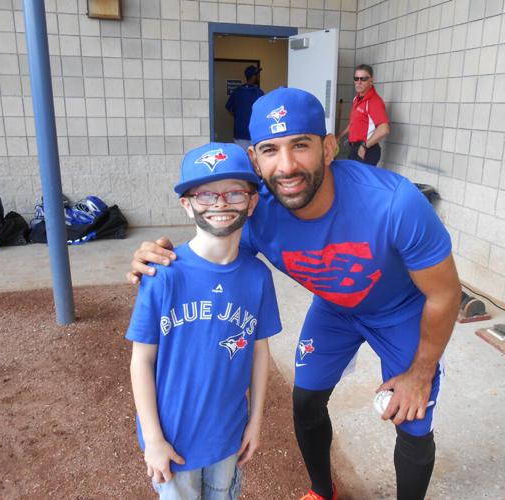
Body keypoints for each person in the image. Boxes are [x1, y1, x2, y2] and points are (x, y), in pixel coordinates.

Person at [128, 88, 461, 500]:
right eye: (270, 150)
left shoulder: (395, 204)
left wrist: (420, 373)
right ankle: (323, 491)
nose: (286, 166)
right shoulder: (256, 211)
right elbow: (207, 254)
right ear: (255, 160)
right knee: (305, 403)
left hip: (401, 311)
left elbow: (446, 293)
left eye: (300, 145)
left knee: (412, 418)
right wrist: (160, 255)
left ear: (328, 147)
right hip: (336, 309)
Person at [126, 142, 282, 499]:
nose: (221, 204)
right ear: (187, 204)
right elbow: (141, 360)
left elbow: (260, 353)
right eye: (206, 195)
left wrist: (255, 422)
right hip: (173, 439)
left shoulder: (257, 276)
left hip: (227, 434)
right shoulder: (162, 273)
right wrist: (153, 439)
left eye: (234, 193)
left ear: (252, 201)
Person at [337, 64, 390, 166]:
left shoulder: (374, 102)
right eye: (356, 78)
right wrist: (340, 136)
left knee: (359, 181)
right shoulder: (356, 99)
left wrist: (364, 146)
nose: (359, 82)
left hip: (367, 150)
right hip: (355, 148)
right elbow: (353, 123)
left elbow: (384, 129)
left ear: (371, 81)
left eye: (363, 79)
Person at [225, 65, 264, 151]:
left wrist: (239, 116)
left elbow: (229, 109)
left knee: (242, 158)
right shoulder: (258, 92)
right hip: (253, 132)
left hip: (239, 133)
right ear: (254, 76)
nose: (259, 76)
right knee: (253, 160)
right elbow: (263, 112)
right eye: (257, 75)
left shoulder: (237, 91)